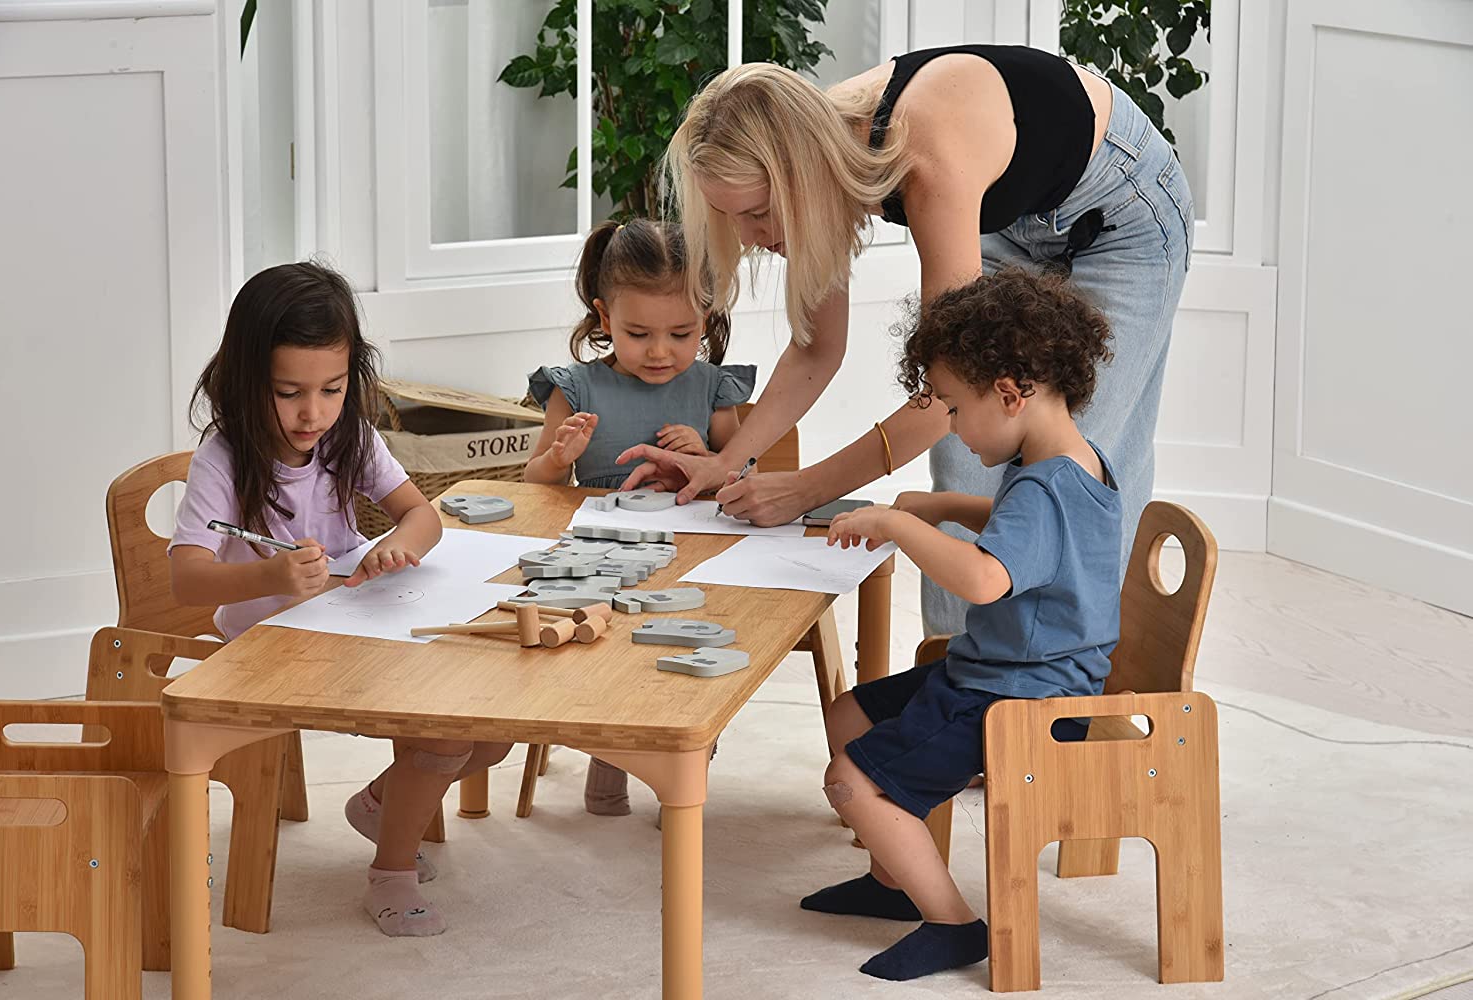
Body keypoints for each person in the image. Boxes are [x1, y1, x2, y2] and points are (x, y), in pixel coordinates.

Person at [616, 45, 1192, 636]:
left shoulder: (925, 158)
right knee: (968, 450)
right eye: (731, 215)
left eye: (759, 212)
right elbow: (818, 348)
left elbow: (951, 393)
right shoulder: (816, 145)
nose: (750, 235)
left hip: (1120, 209)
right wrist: (727, 464)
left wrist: (806, 489)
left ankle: (1073, 692)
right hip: (1010, 216)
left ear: (800, 176)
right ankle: (951, 671)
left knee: (1068, 457)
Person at [169, 260, 511, 937]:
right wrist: (269, 577)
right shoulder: (226, 459)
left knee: (493, 726)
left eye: (330, 389)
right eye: (288, 391)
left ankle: (385, 803)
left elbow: (424, 515)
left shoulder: (347, 435)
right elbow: (186, 578)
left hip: (353, 623)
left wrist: (396, 545)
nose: (312, 413)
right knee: (442, 732)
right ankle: (391, 871)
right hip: (272, 647)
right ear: (244, 381)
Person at [804, 267, 1120, 981]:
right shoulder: (1070, 460)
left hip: (1023, 696)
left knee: (851, 780)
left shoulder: (1044, 486)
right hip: (1008, 670)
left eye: (952, 407)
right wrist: (949, 509)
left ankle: (953, 926)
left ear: (1009, 394)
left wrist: (896, 523)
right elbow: (1034, 536)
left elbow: (985, 577)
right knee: (851, 711)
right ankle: (893, 884)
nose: (949, 425)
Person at [524, 218, 755, 813]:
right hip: (598, 555)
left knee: (695, 646)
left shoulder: (712, 387)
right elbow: (534, 485)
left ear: (706, 316)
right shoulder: (573, 387)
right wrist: (558, 457)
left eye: (681, 333)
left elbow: (741, 478)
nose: (660, 351)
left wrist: (707, 459)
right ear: (604, 320)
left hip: (690, 554)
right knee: (609, 643)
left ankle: (681, 777)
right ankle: (609, 762)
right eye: (638, 332)